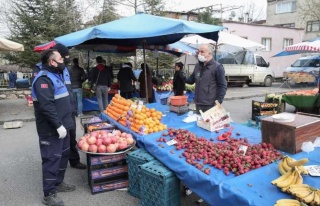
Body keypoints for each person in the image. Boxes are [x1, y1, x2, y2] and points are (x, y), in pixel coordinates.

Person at [31, 49, 75, 206]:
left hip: (64, 125)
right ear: (52, 62)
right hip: (51, 129)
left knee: (63, 156)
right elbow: (46, 106)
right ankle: (49, 194)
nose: (64, 60)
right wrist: (58, 125)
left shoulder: (56, 75)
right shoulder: (43, 79)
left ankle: (58, 183)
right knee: (51, 159)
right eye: (61, 58)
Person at [186, 43, 227, 113]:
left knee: (208, 123)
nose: (199, 54)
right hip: (198, 104)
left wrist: (218, 103)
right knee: (199, 123)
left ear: (209, 53)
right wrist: (182, 76)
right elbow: (191, 80)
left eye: (202, 52)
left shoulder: (217, 67)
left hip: (210, 105)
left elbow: (222, 86)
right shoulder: (197, 66)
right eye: (199, 52)